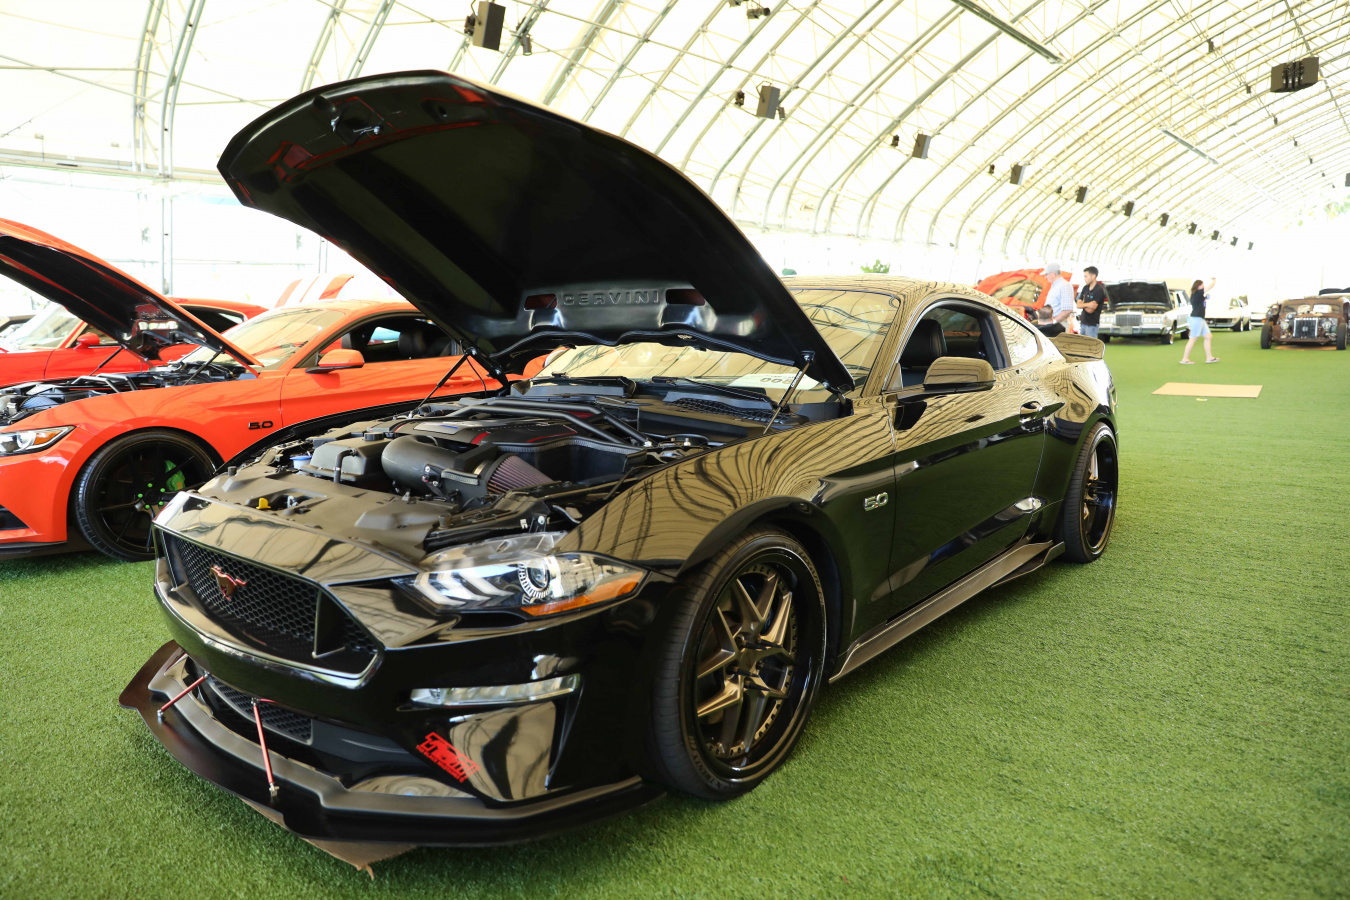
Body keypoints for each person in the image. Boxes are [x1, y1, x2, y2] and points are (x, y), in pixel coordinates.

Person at [1180, 276, 1218, 364]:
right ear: (1198, 286)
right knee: (1193, 338)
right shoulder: (1198, 293)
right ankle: (1185, 359)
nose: (1203, 286)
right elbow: (1210, 286)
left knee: (1208, 336)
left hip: (1200, 319)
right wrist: (1214, 280)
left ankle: (1209, 357)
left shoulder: (1197, 294)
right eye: (1202, 285)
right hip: (1196, 319)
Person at [1044, 262, 1075, 332]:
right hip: (1053, 324)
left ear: (1053, 274)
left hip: (1059, 325)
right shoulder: (1055, 285)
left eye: (1046, 274)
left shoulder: (1064, 286)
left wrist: (1053, 322)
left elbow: (1067, 310)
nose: (1045, 277)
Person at [1076, 266, 1105, 338]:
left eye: (1086, 276)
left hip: (1092, 324)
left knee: (1090, 344)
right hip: (1083, 322)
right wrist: (1088, 304)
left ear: (1093, 276)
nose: (1084, 278)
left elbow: (1091, 310)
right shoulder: (1085, 288)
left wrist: (1083, 304)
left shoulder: (1099, 290)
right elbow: (1078, 305)